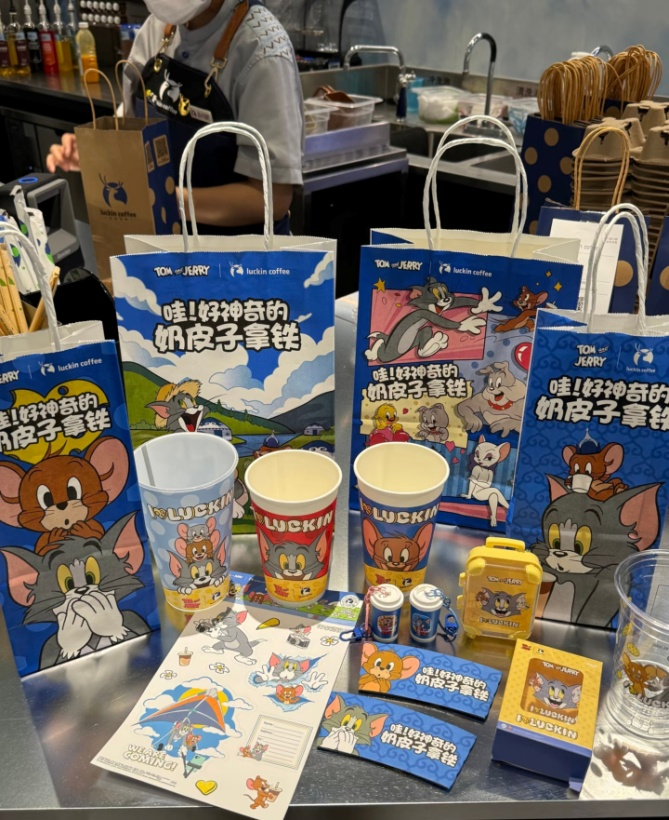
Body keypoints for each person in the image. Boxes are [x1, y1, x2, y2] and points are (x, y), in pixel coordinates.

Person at [46, 0, 304, 235]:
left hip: (238, 260)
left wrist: (165, 198)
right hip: (163, 242)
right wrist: (100, 149)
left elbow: (272, 199)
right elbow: (136, 115)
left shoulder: (262, 49)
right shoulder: (157, 26)